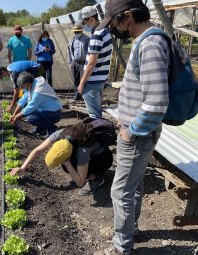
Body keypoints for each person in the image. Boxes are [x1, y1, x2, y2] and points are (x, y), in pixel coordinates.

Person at [93, 0, 170, 254]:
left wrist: (131, 129)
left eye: (114, 23)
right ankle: (130, 230)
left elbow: (157, 102)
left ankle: (121, 246)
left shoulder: (149, 44)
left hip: (138, 135)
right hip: (139, 132)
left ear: (127, 16)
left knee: (121, 190)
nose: (114, 29)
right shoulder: (146, 41)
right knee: (134, 185)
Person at [10, 118, 113, 195]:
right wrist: (23, 167)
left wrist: (67, 163)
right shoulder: (60, 134)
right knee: (68, 166)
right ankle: (84, 170)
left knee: (68, 167)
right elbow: (38, 150)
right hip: (88, 153)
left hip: (103, 159)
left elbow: (80, 183)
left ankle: (96, 178)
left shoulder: (82, 151)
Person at [77, 6, 113, 118]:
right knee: (97, 112)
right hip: (100, 79)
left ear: (91, 19)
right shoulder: (106, 31)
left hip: (92, 81)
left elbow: (91, 64)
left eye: (84, 23)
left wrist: (82, 83)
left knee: (94, 116)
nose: (84, 26)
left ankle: (98, 135)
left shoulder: (96, 35)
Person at [10, 72, 62, 137]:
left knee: (30, 118)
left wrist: (17, 117)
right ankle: (40, 129)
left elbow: (30, 107)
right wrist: (14, 114)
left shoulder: (38, 90)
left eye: (23, 87)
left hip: (54, 113)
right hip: (46, 111)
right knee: (30, 113)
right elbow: (23, 100)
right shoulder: (32, 83)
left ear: (27, 84)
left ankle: (53, 129)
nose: (23, 89)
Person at [68, 21, 90, 101]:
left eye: (77, 31)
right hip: (75, 63)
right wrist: (70, 62)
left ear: (81, 31)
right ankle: (77, 96)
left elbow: (89, 52)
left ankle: (84, 96)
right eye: (75, 32)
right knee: (76, 80)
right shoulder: (72, 40)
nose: (76, 33)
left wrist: (88, 63)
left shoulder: (87, 39)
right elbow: (70, 52)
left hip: (84, 63)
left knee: (83, 80)